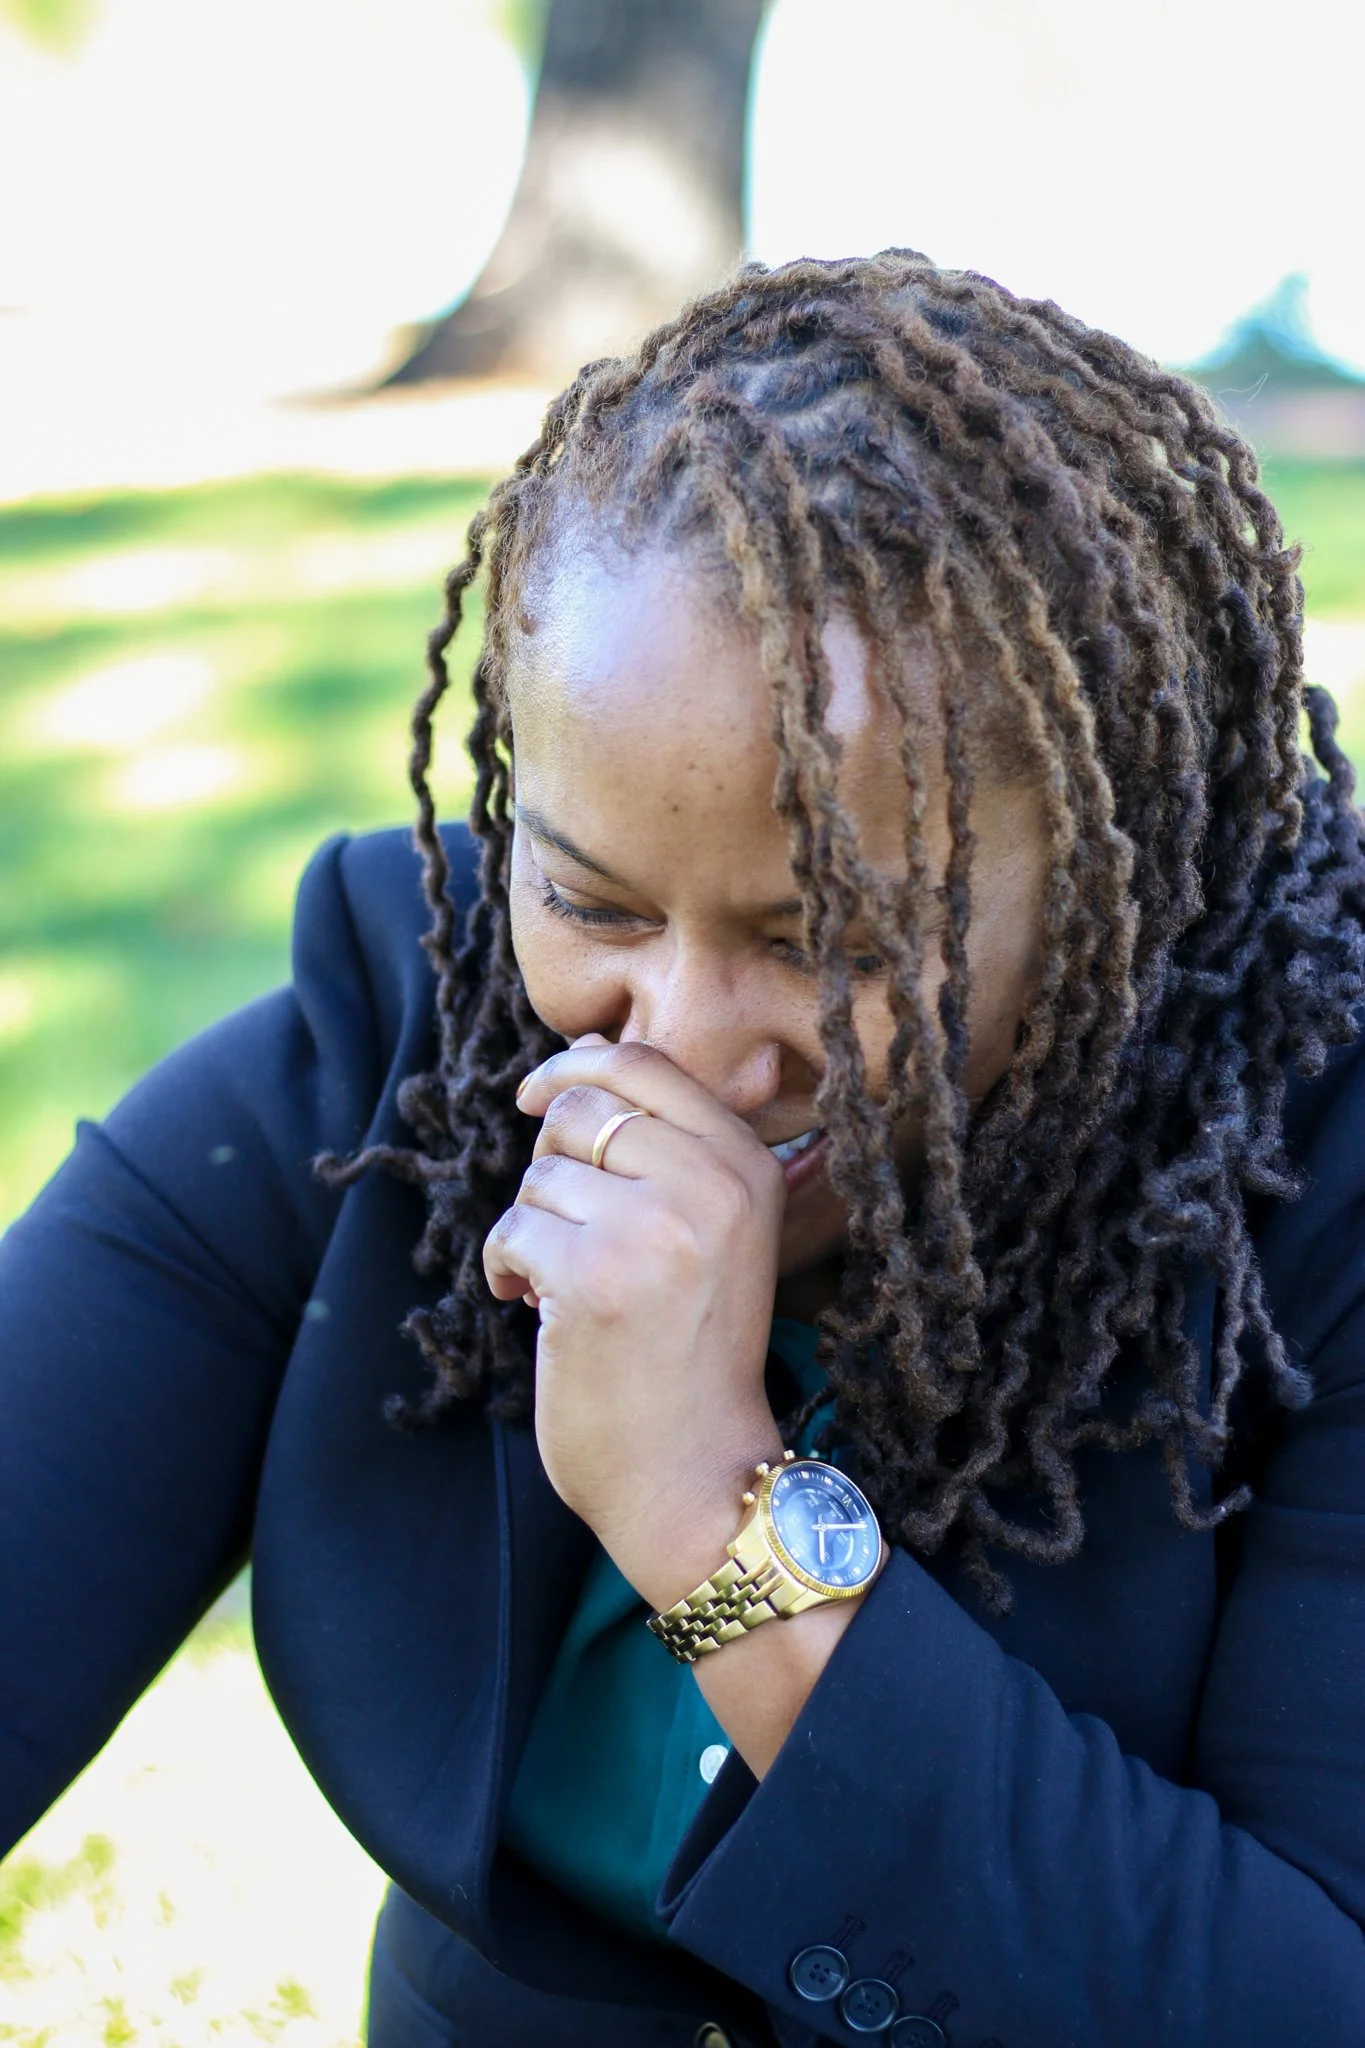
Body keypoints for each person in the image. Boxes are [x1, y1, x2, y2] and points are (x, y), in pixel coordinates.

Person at [4, 250, 1365, 2048]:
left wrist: (712, 1514)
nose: (686, 1046)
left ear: (1125, 894)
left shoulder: (1317, 1174)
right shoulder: (388, 1075)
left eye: (827, 941)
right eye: (591, 899)